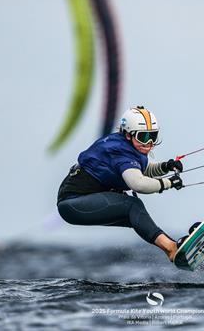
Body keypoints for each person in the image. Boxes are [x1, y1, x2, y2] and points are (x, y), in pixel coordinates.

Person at [57, 106, 185, 261]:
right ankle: (171, 249)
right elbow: (137, 183)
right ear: (128, 135)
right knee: (133, 206)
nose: (149, 143)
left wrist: (164, 167)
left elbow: (141, 170)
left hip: (77, 202)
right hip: (73, 203)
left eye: (153, 136)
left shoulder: (127, 147)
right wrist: (168, 183)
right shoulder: (120, 151)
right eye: (143, 137)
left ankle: (174, 248)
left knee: (137, 215)